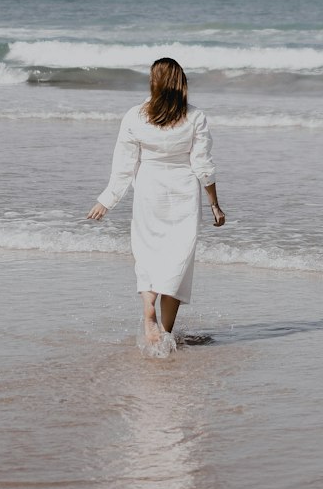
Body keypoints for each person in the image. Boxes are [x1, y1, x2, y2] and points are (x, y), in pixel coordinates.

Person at [87, 57, 225, 346]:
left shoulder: (135, 115)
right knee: (178, 260)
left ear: (154, 82)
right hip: (183, 193)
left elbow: (123, 166)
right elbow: (203, 165)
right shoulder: (195, 116)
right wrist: (214, 203)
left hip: (149, 190)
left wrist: (107, 200)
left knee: (149, 254)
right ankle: (165, 333)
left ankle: (149, 312)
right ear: (181, 82)